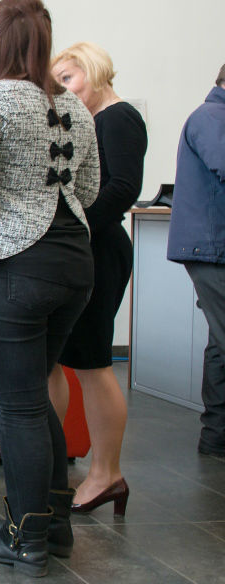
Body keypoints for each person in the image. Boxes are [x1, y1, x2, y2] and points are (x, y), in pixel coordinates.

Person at [0, 0, 99, 577]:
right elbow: (87, 190)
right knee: (34, 398)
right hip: (73, 263)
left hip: (14, 266)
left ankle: (24, 538)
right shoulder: (76, 108)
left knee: (18, 408)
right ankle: (52, 524)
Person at [46, 42, 146, 515]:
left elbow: (125, 187)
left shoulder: (118, 117)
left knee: (92, 363)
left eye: (68, 79)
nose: (63, 90)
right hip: (84, 248)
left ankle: (107, 473)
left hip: (100, 251)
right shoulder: (88, 121)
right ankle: (49, 459)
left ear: (93, 70)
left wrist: (77, 225)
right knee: (62, 359)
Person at [167, 64, 225, 459]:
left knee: (219, 342)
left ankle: (216, 437)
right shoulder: (211, 116)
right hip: (212, 248)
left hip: (212, 247)